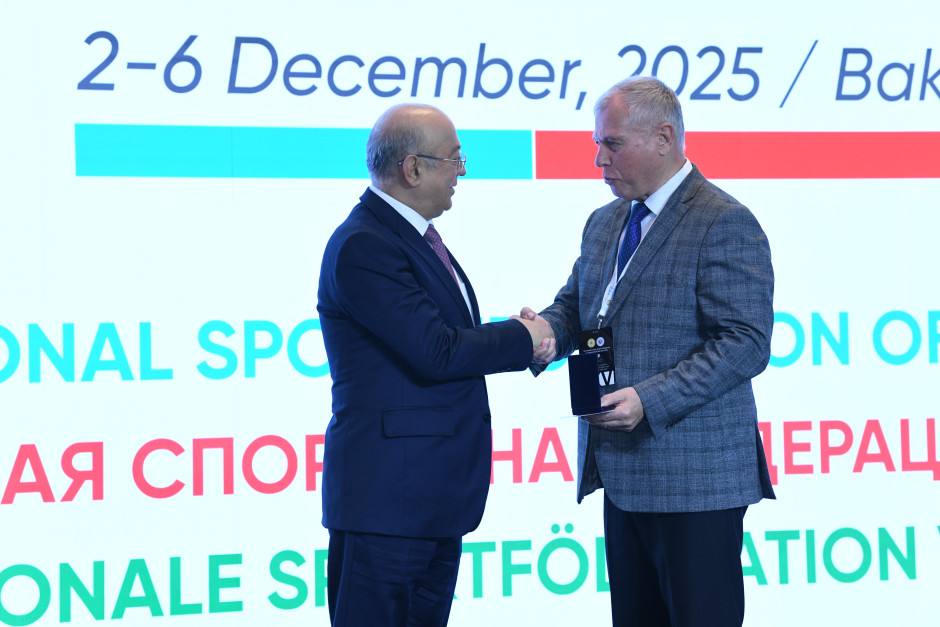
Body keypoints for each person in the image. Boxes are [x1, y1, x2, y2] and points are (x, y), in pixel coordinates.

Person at [522, 77, 775, 626]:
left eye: (611, 144)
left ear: (663, 138)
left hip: (695, 481)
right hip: (621, 472)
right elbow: (579, 307)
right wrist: (543, 333)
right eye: (598, 144)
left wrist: (649, 399)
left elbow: (746, 342)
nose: (598, 159)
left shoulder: (723, 221)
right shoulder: (605, 221)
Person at [317, 103, 554, 626]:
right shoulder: (365, 244)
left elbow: (446, 339)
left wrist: (526, 338)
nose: (461, 172)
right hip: (387, 505)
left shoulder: (409, 237)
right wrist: (525, 338)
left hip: (428, 502)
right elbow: (437, 350)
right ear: (412, 168)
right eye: (454, 159)